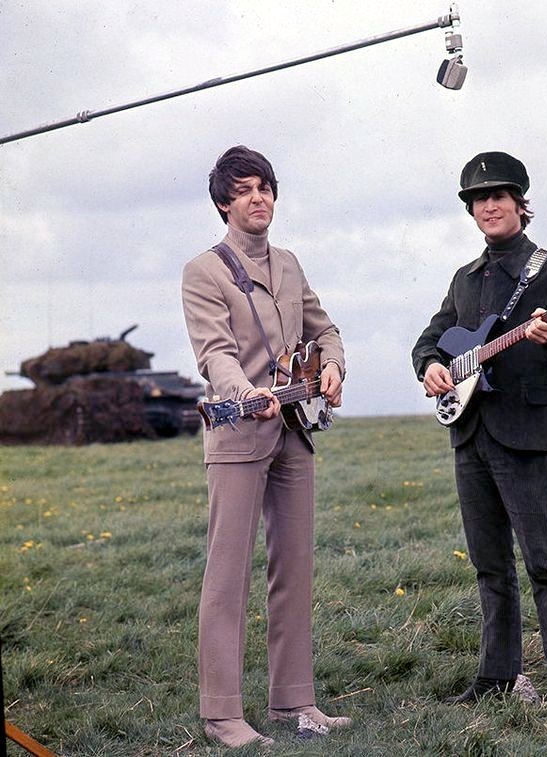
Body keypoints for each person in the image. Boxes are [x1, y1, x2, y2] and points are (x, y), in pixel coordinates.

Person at [182, 145, 349, 748]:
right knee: (228, 576)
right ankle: (222, 713)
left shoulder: (290, 263)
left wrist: (331, 364)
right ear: (224, 202)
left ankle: (293, 703)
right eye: (246, 190)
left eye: (267, 189)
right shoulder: (204, 271)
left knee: (295, 569)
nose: (259, 199)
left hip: (296, 432)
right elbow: (213, 353)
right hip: (238, 433)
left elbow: (322, 328)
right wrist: (247, 392)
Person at [411, 151, 547, 702]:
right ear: (471, 211)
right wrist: (431, 367)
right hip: (470, 433)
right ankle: (495, 679)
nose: (489, 206)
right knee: (490, 565)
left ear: (520, 204)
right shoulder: (465, 280)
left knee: (544, 561)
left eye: (499, 196)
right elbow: (430, 338)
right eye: (479, 199)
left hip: (527, 433)